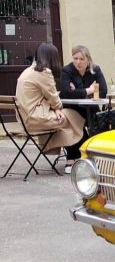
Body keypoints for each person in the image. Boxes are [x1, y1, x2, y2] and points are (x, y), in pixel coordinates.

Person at [15, 42, 85, 174]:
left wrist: (56, 108)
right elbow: (53, 97)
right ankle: (82, 156)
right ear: (52, 57)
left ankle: (72, 158)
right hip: (37, 119)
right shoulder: (43, 72)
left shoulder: (27, 71)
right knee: (74, 115)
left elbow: (46, 96)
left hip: (25, 120)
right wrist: (57, 108)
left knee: (67, 118)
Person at [60, 44, 108, 118]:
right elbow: (66, 93)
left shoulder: (95, 70)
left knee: (99, 118)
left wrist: (76, 91)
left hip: (91, 109)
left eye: (82, 59)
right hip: (72, 109)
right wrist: (89, 90)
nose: (78, 62)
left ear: (88, 60)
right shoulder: (67, 71)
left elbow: (103, 92)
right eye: (75, 58)